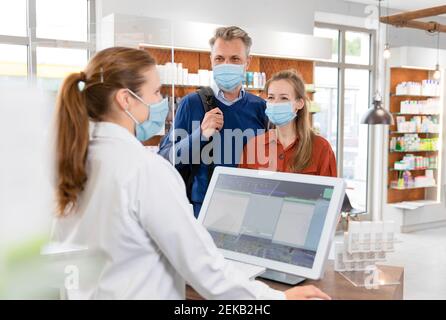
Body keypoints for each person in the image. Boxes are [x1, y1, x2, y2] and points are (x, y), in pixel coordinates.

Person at [51, 46, 330, 300]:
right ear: (126, 99)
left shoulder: (75, 160)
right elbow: (203, 267)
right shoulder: (144, 170)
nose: (161, 102)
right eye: (157, 93)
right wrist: (279, 299)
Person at [159, 26, 269, 218]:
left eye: (235, 59)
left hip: (250, 209)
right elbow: (166, 160)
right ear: (211, 61)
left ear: (247, 62)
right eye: (219, 58)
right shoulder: (191, 104)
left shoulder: (260, 107)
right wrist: (199, 135)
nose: (226, 64)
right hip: (204, 209)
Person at [240, 70, 337, 177]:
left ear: (299, 104)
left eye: (284, 98)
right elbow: (241, 189)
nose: (275, 103)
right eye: (271, 97)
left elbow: (330, 192)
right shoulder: (253, 146)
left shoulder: (321, 148)